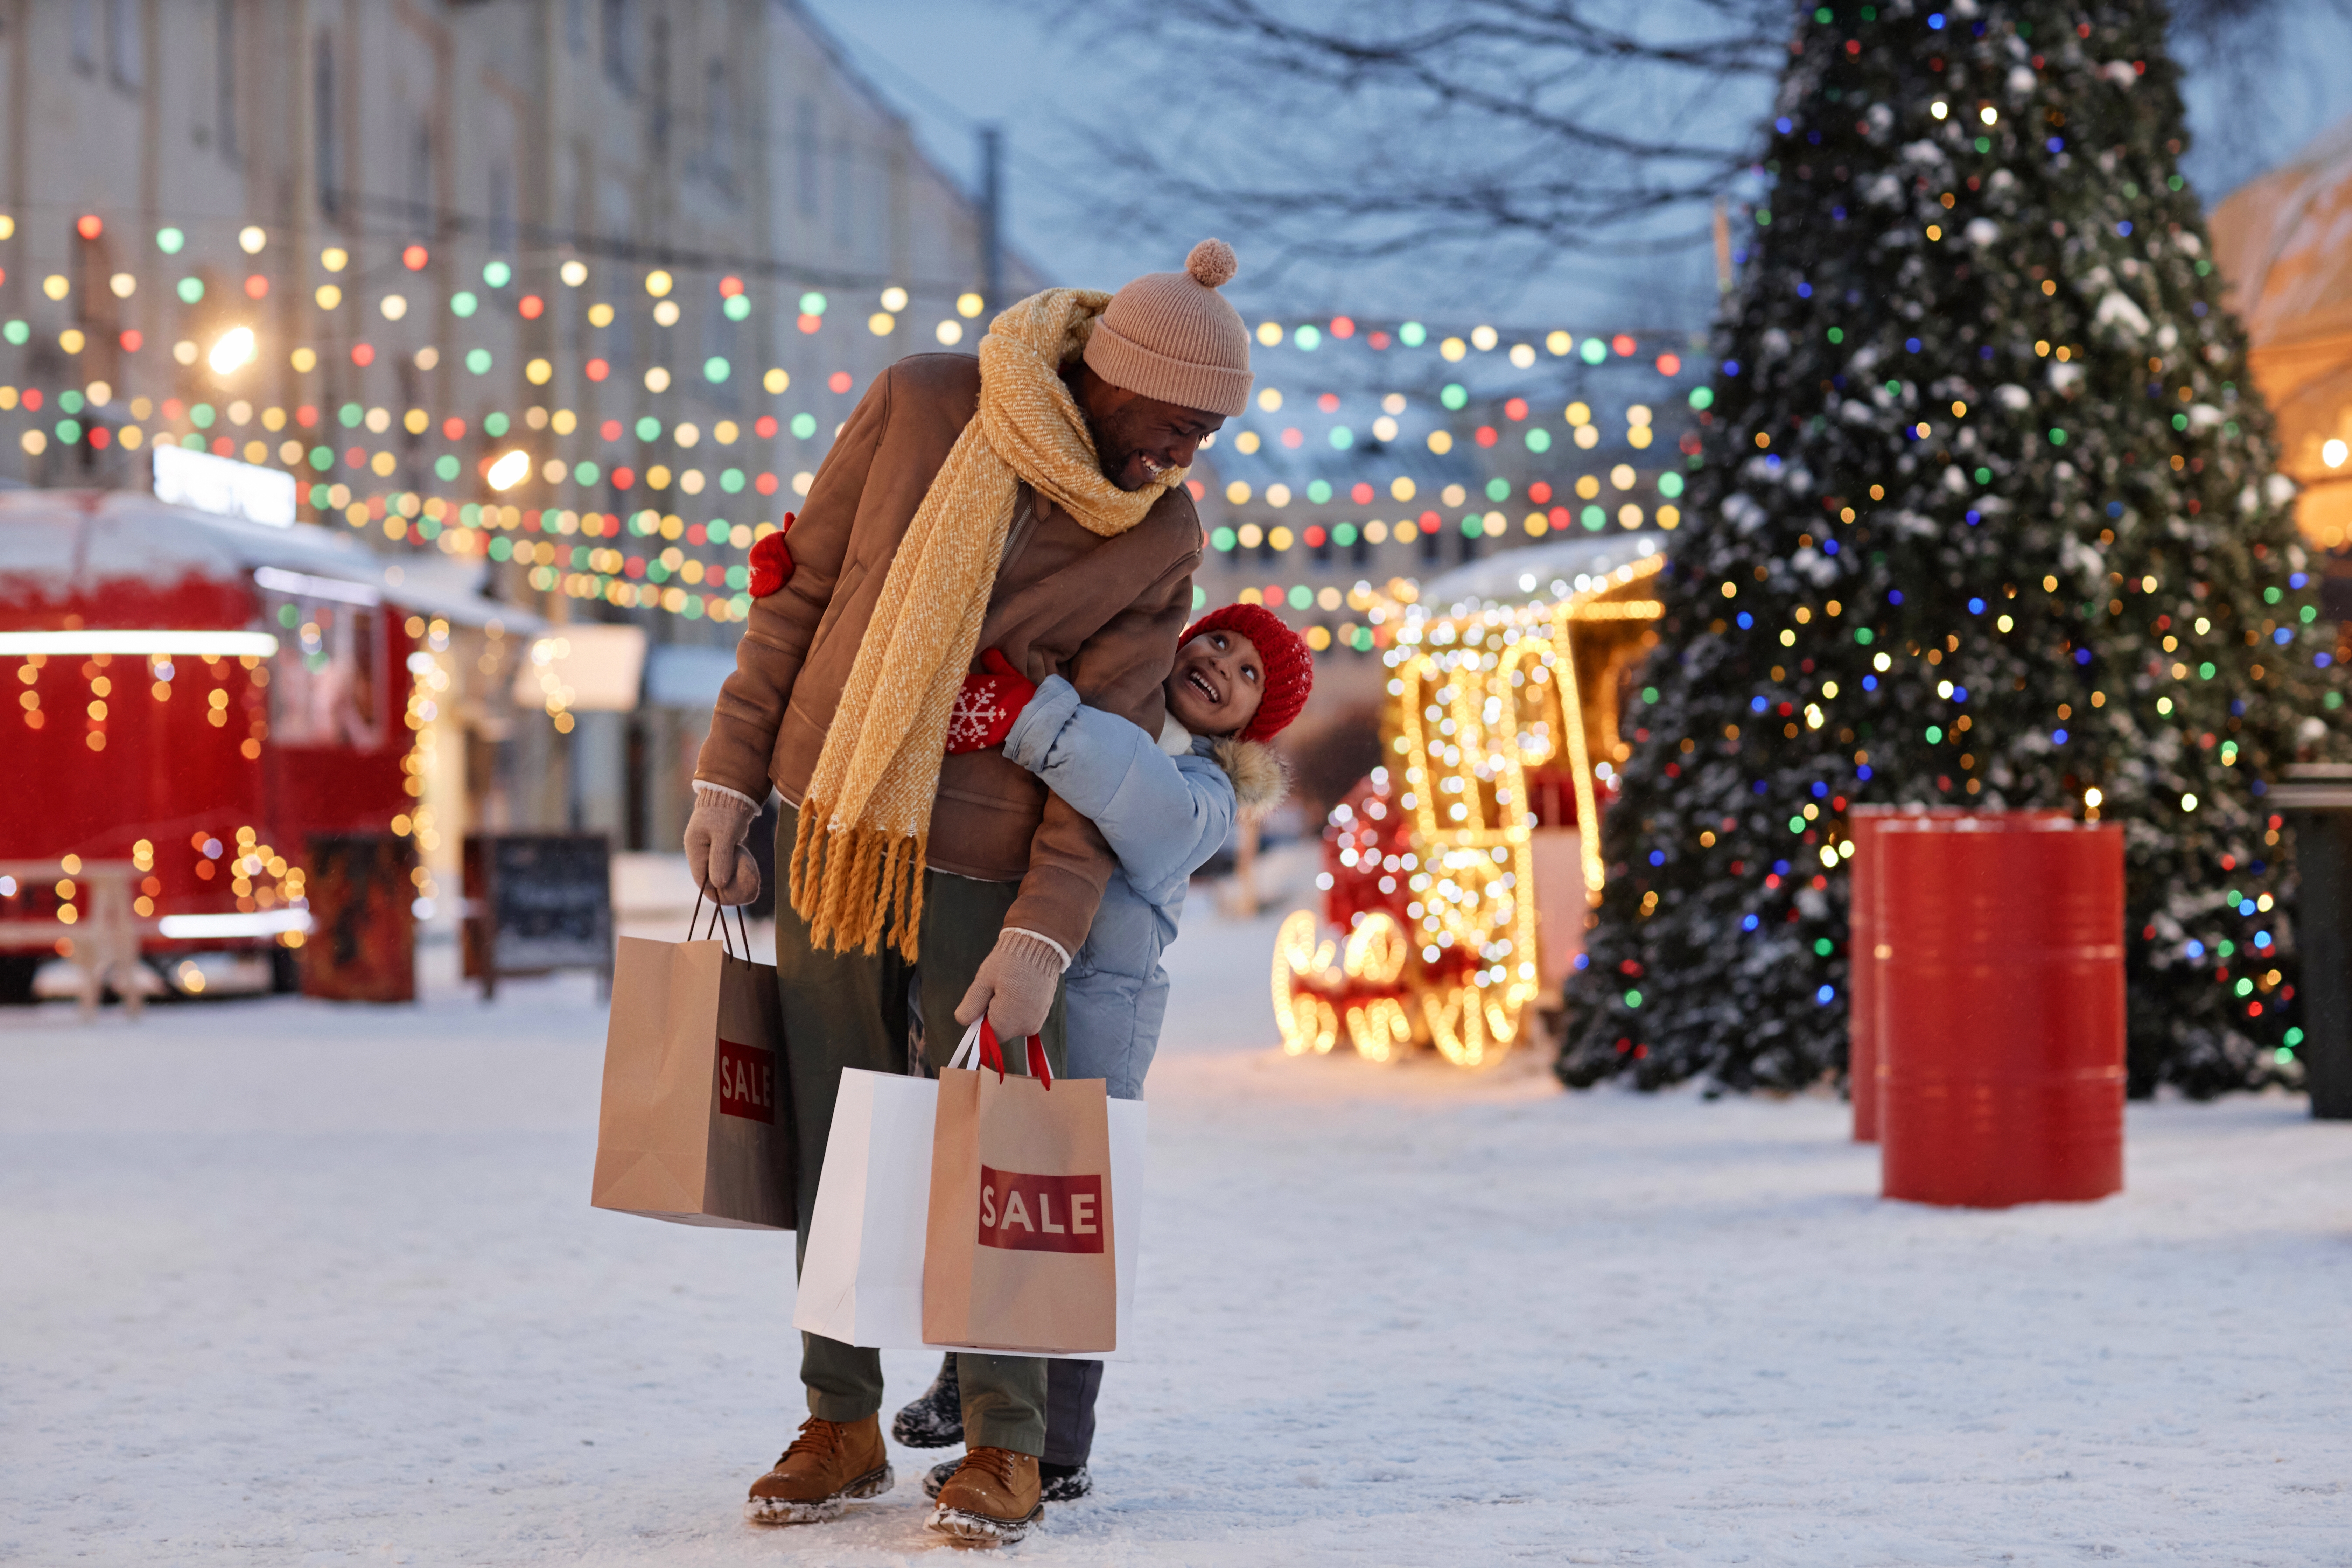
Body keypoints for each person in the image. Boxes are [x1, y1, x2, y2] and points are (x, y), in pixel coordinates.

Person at [682, 240, 1254, 1548]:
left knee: (999, 1155)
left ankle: (1005, 1447)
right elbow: (796, 595)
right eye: (1173, 425)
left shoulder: (1159, 533)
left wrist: (1046, 934)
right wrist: (728, 779)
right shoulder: (927, 402)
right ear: (1111, 378)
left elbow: (1103, 755)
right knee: (825, 1136)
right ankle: (840, 1423)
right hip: (832, 829)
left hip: (990, 879)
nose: (1183, 457)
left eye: (1209, 435)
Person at [892, 601, 1312, 1503]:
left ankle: (1058, 1445)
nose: (1223, 666)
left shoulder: (1205, 795)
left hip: (1096, 1020)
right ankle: (971, 1380)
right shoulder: (1124, 718)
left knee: (1068, 1218)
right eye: (1222, 642)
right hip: (1024, 991)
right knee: (987, 1184)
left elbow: (1138, 801)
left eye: (1249, 679)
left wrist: (1029, 716)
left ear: (1249, 728)